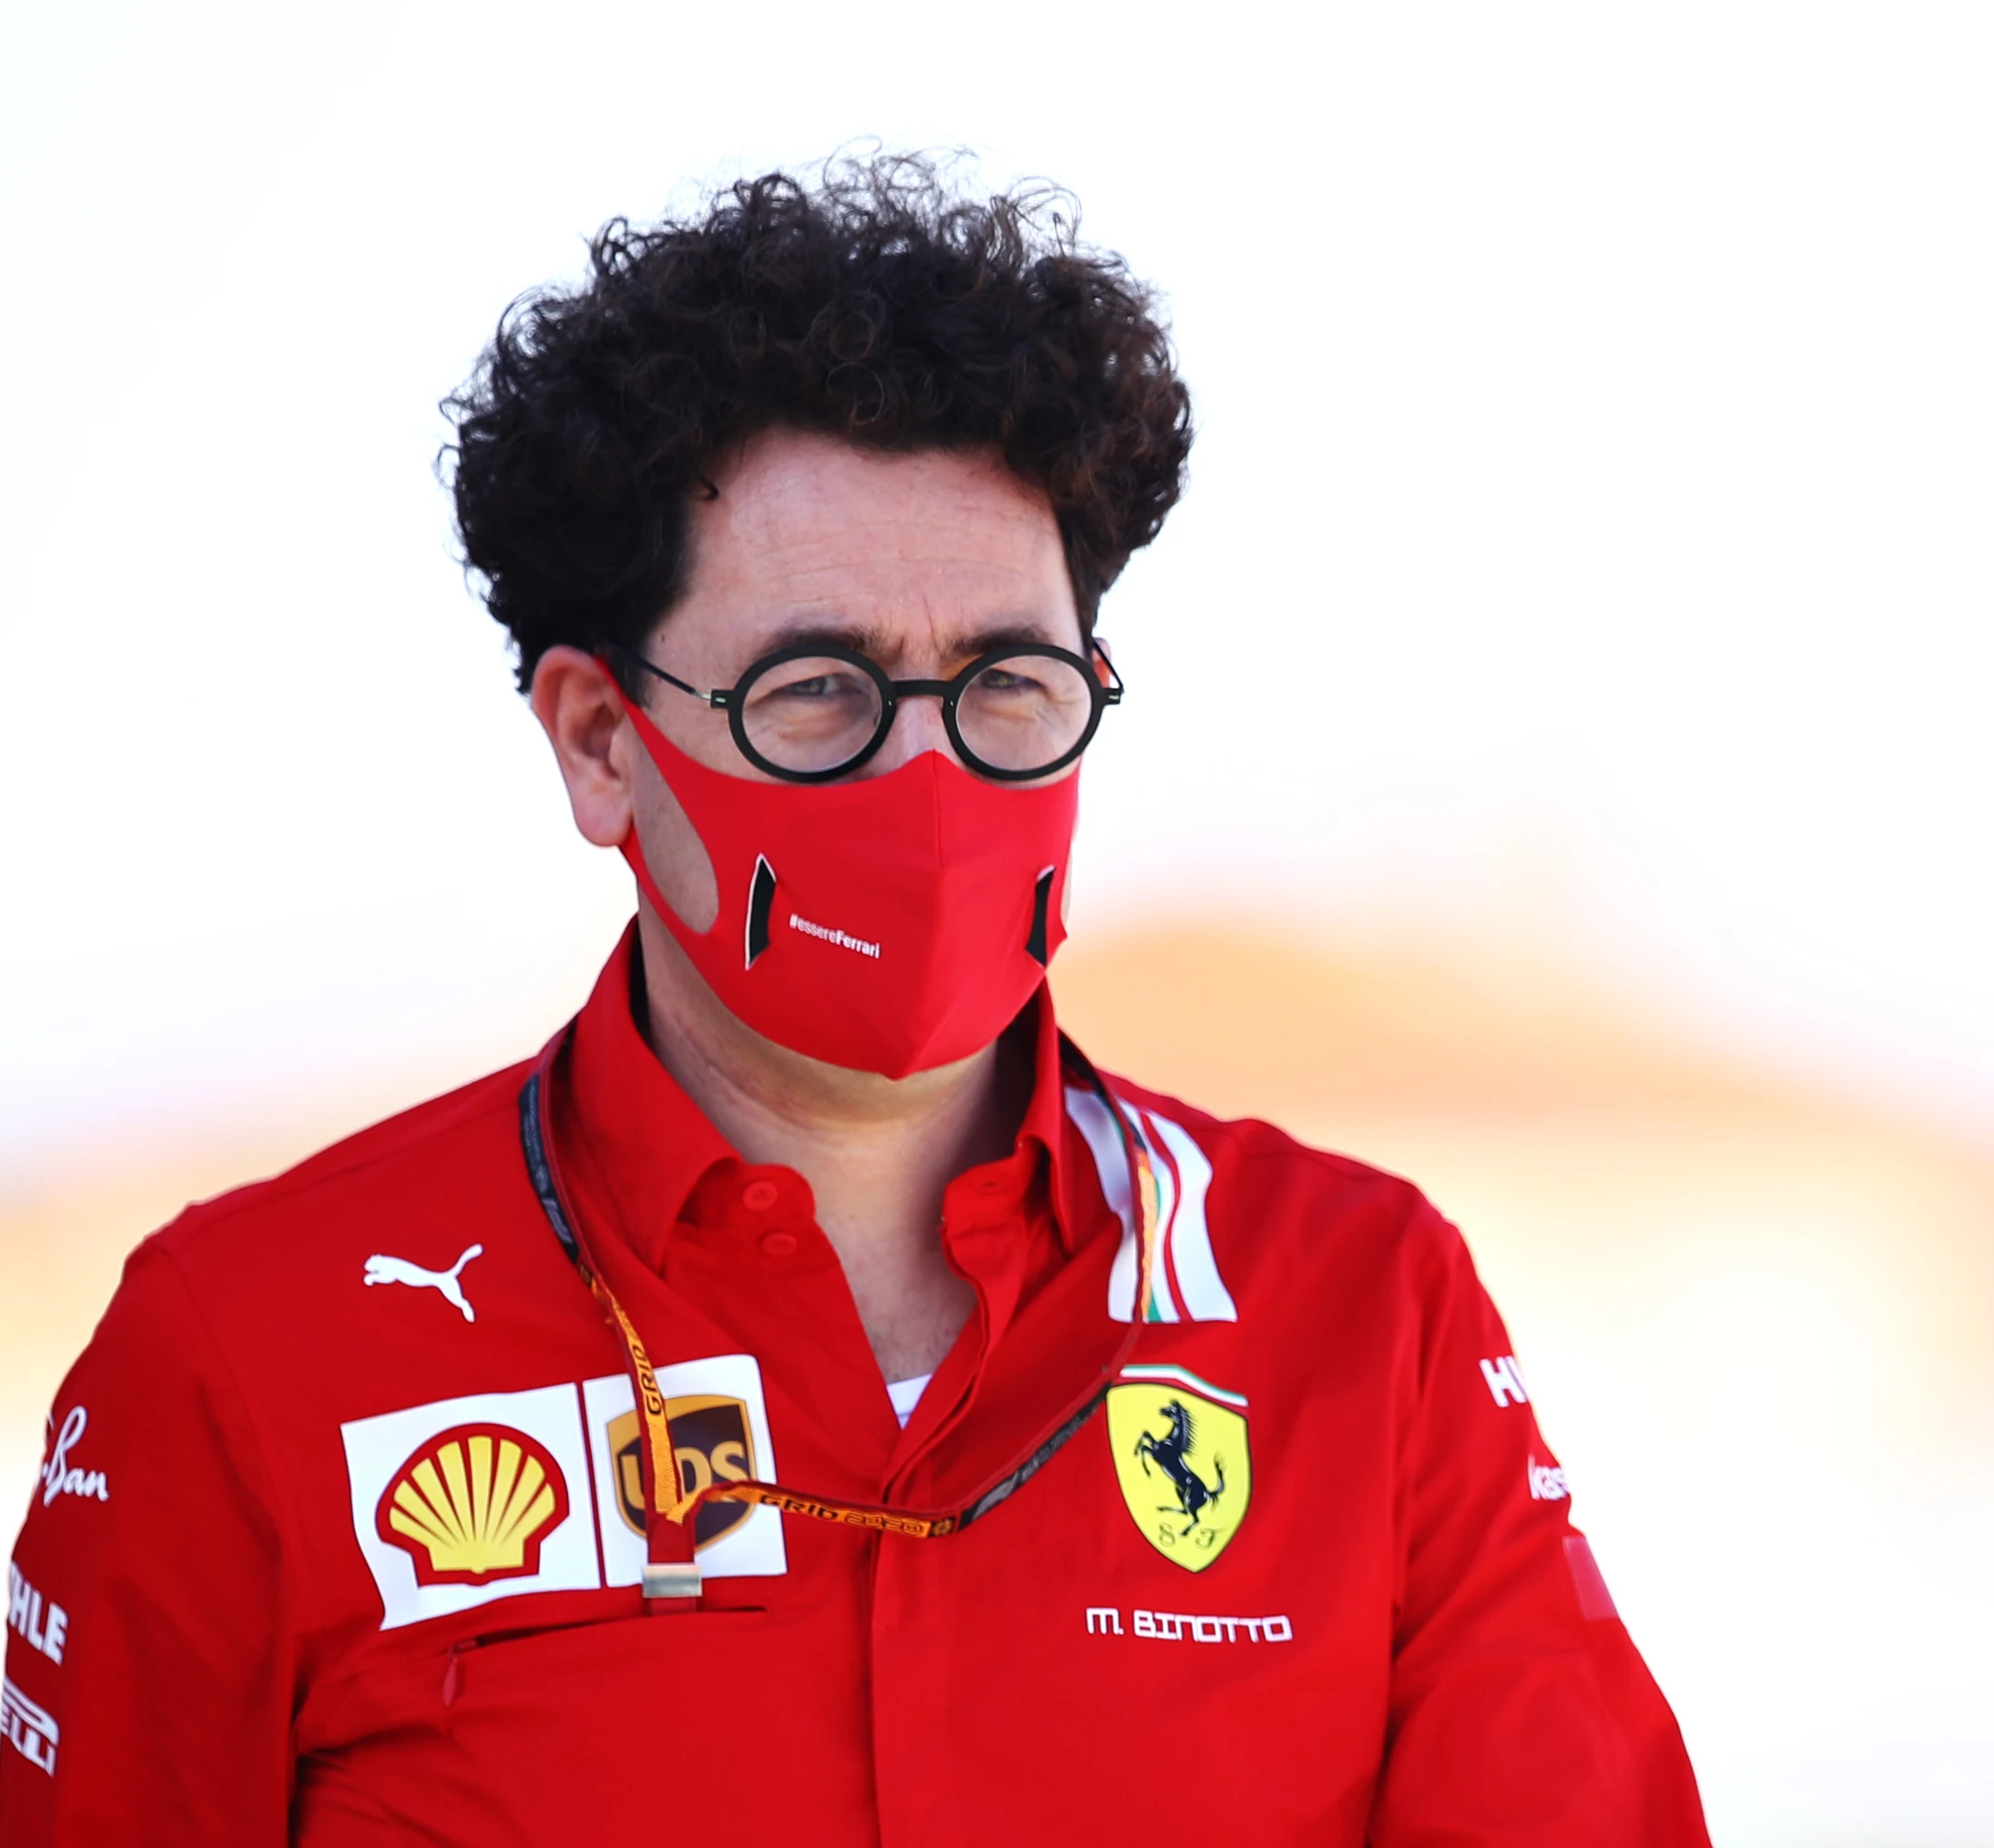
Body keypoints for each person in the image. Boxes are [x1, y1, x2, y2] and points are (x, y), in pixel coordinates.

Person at [0, 157, 1709, 1844]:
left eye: (1007, 682)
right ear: (601, 739)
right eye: (819, 690)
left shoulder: (1362, 1316)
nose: (932, 774)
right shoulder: (245, 1352)